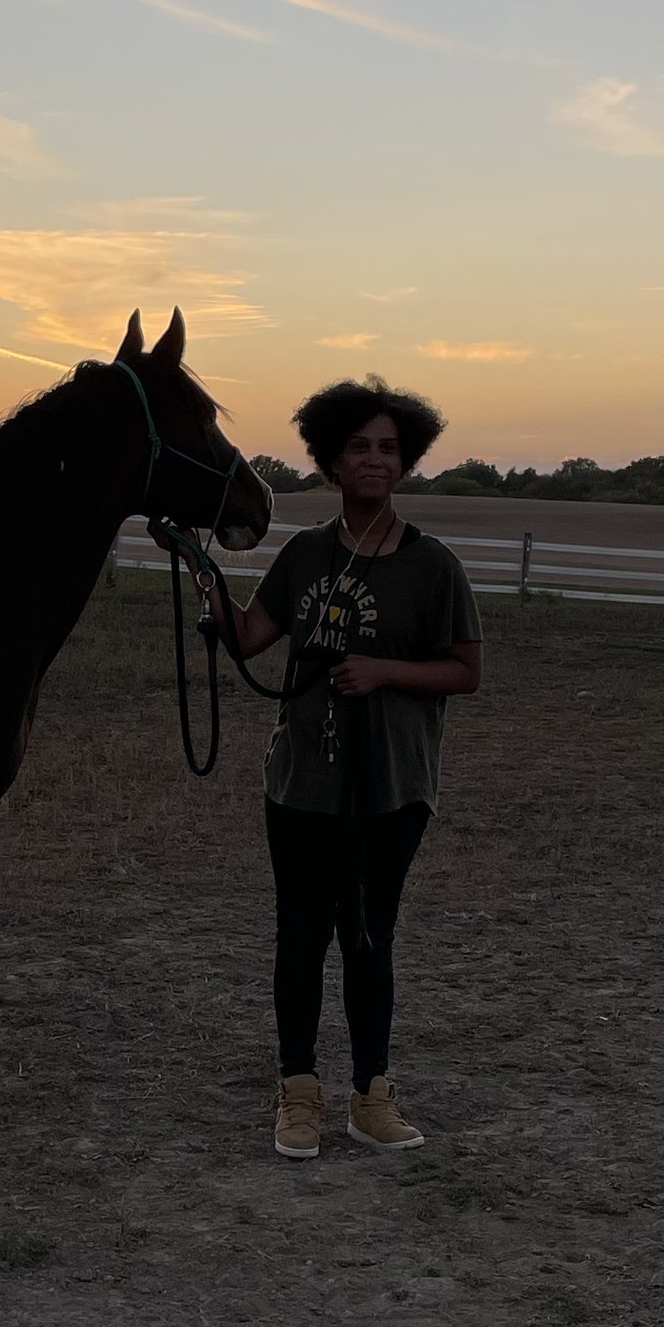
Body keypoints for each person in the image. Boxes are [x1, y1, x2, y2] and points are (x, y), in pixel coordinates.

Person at [228, 378, 483, 1157]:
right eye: (360, 448)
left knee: (369, 937)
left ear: (404, 463)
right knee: (300, 938)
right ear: (333, 460)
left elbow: (466, 670)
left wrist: (382, 670)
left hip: (391, 787)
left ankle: (371, 1095)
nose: (375, 460)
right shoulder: (303, 555)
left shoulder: (432, 566)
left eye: (388, 449)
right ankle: (297, 1093)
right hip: (301, 783)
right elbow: (247, 639)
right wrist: (202, 579)